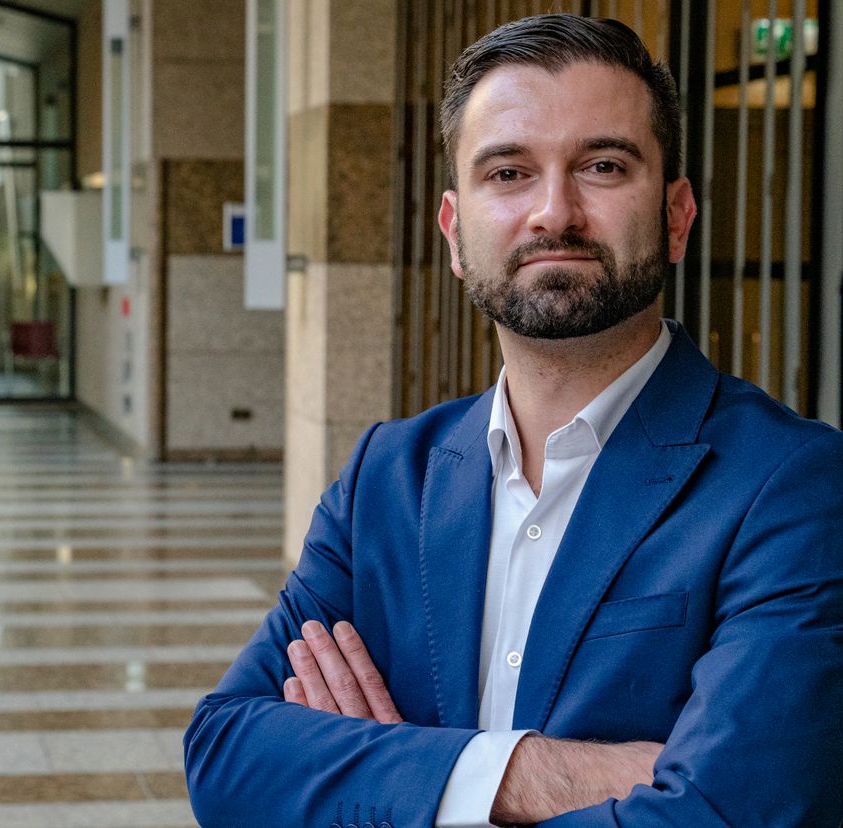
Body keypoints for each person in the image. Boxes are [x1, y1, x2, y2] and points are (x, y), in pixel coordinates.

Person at [184, 14, 843, 828]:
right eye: (508, 172)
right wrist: (521, 773)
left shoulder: (793, 484)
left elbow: (732, 811)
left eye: (603, 165)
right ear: (456, 235)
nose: (553, 212)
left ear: (677, 218)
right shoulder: (388, 475)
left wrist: (396, 783)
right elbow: (225, 755)